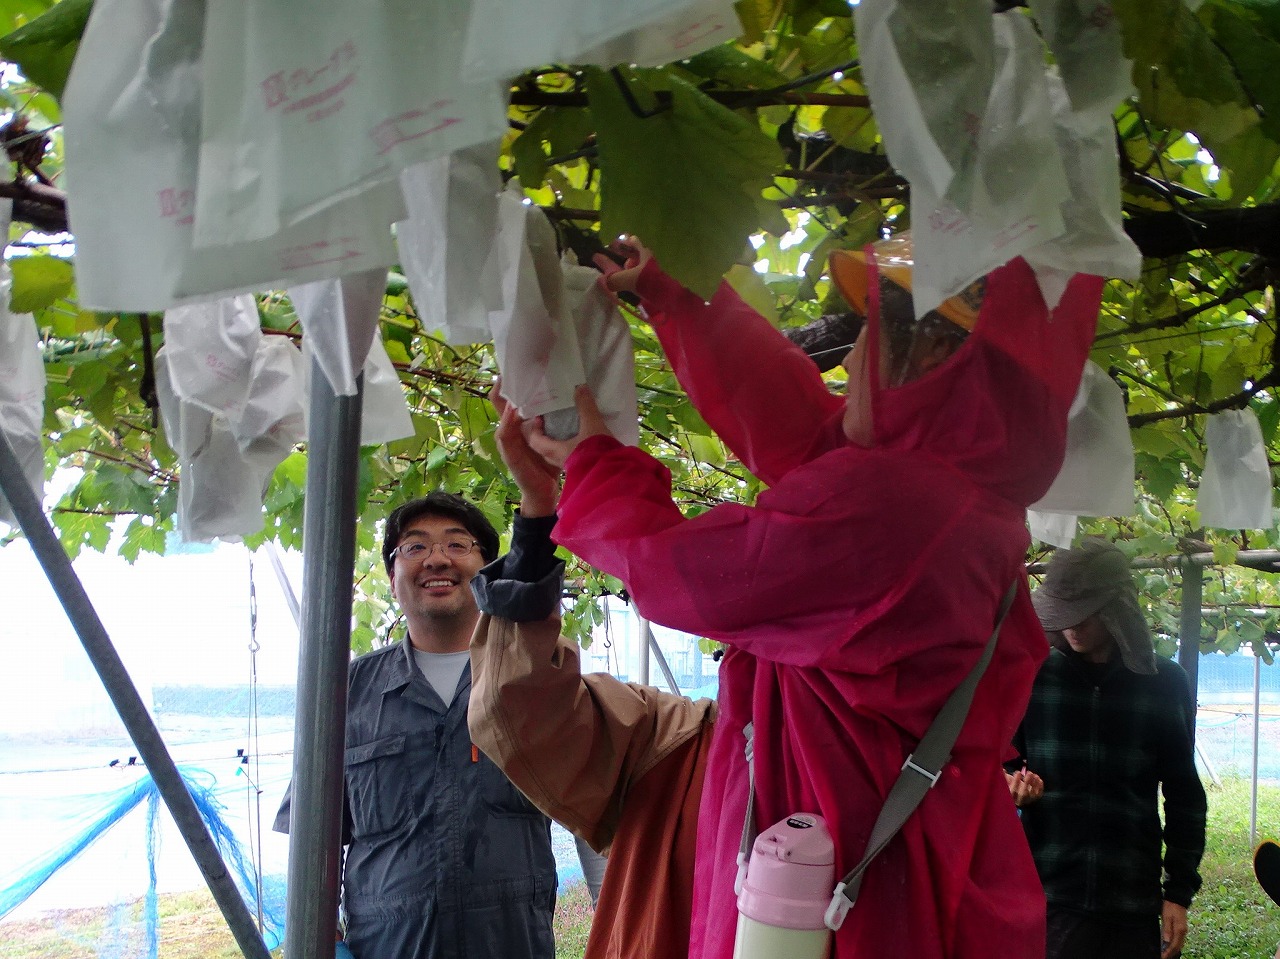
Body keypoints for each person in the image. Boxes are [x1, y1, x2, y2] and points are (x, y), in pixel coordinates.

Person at [512, 235, 1106, 959]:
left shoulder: (898, 506)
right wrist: (680, 297)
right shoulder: (955, 489)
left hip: (844, 874)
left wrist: (595, 464)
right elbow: (795, 423)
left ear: (929, 356)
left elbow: (682, 574)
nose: (850, 361)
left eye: (871, 335)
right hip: (886, 853)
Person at [274, 492, 557, 959]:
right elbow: (311, 838)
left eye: (458, 544)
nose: (437, 559)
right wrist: (323, 940)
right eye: (416, 547)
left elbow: (593, 818)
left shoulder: (530, 677)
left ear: (488, 573)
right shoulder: (345, 692)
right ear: (392, 577)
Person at [1011, 539, 1207, 959]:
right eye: (1064, 613)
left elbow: (1184, 794)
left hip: (1132, 898)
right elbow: (997, 763)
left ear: (1118, 608)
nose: (1072, 626)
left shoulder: (1163, 683)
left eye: (1086, 612)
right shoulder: (1033, 677)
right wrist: (1011, 784)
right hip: (1049, 894)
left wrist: (1178, 893)